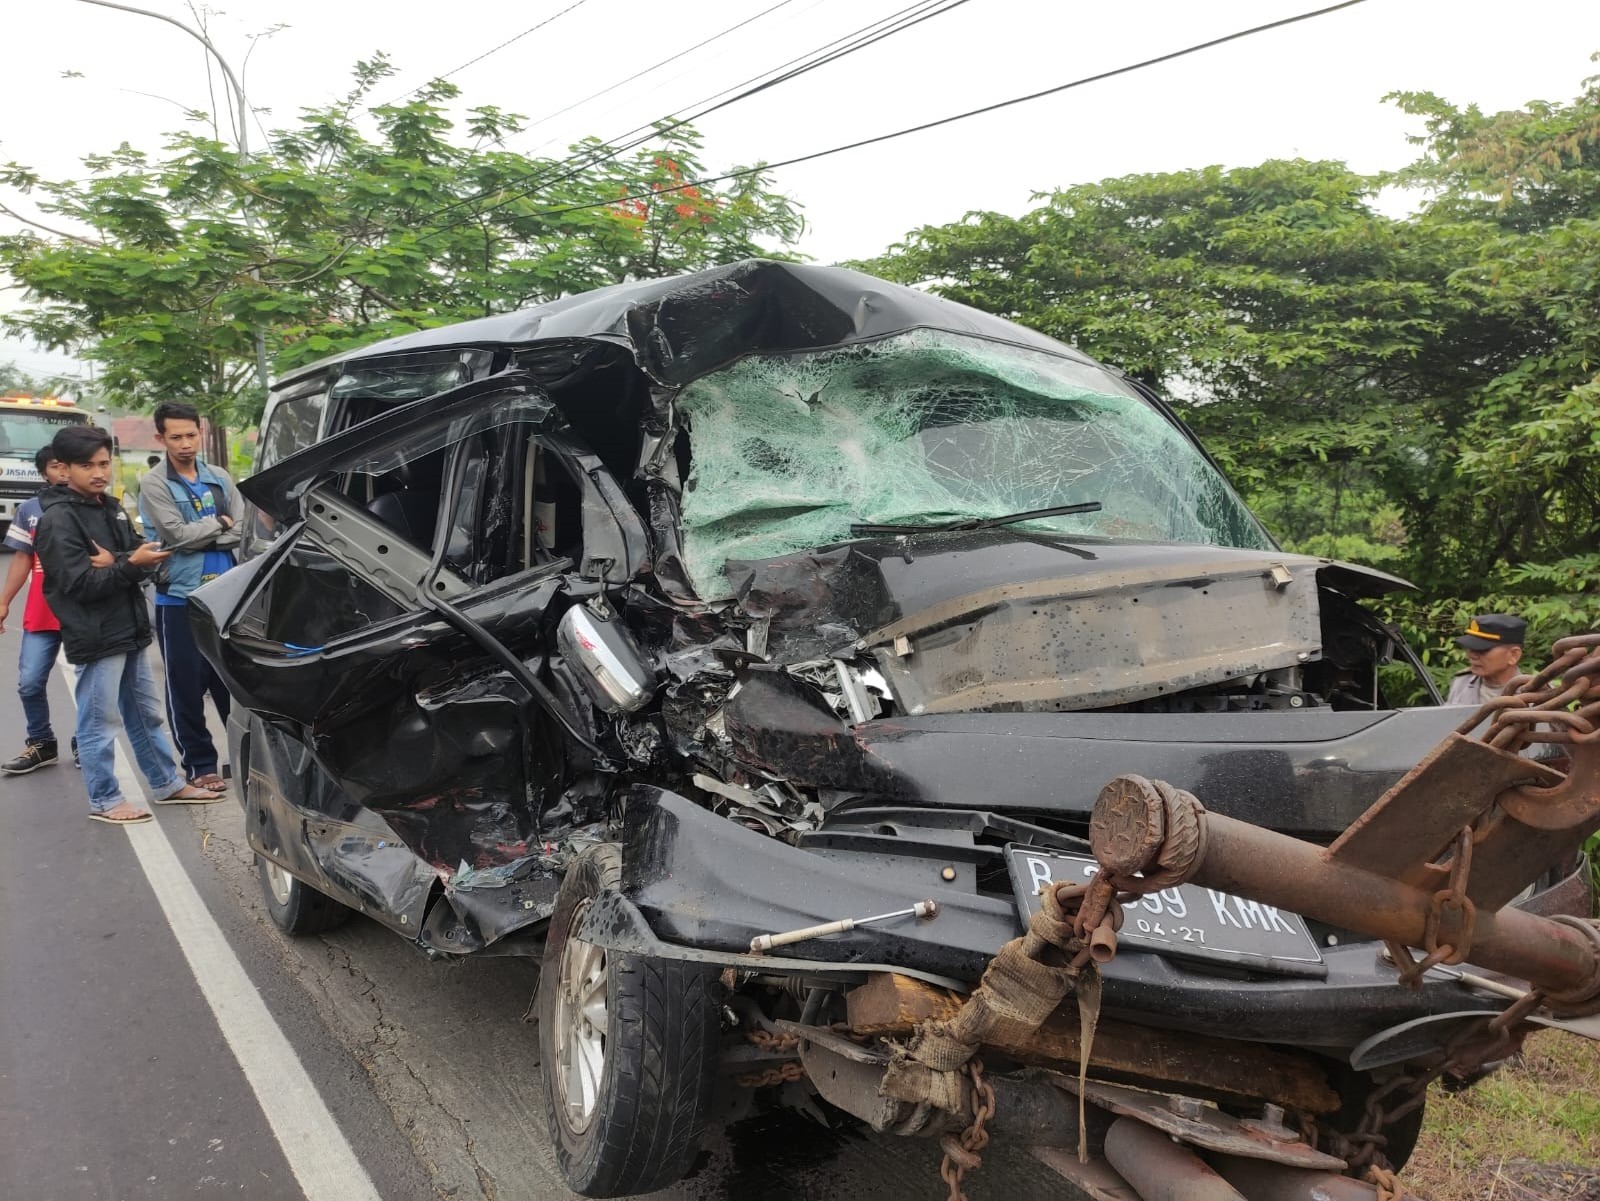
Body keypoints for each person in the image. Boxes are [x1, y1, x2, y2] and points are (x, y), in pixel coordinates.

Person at [34, 424, 220, 824]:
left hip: (130, 627)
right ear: (63, 469)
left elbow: (138, 550)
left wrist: (123, 560)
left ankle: (166, 783)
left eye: (104, 463)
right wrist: (129, 564)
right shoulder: (58, 520)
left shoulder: (110, 507)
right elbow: (78, 584)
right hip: (96, 633)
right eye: (87, 465)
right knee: (99, 722)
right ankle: (104, 798)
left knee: (145, 715)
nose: (99, 472)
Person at [138, 402, 243, 793]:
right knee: (184, 685)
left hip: (225, 595)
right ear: (160, 438)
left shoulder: (218, 477)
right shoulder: (154, 483)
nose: (185, 444)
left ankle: (241, 756)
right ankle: (200, 764)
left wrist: (200, 534)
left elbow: (243, 527)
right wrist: (219, 523)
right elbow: (175, 535)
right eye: (176, 437)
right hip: (179, 598)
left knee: (229, 682)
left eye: (191, 435)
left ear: (200, 432)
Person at [1, 446, 74, 775]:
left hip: (82, 616)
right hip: (41, 615)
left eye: (67, 466)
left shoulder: (93, 506)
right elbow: (21, 559)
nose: (63, 473)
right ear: (44, 472)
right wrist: (4, 602)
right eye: (56, 467)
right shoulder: (30, 510)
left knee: (91, 684)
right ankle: (42, 743)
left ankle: (86, 742)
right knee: (29, 682)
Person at [1446, 614, 1527, 705]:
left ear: (1513, 655)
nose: (1472, 655)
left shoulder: (1534, 693)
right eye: (1470, 648)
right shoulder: (1461, 683)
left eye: (1482, 649)